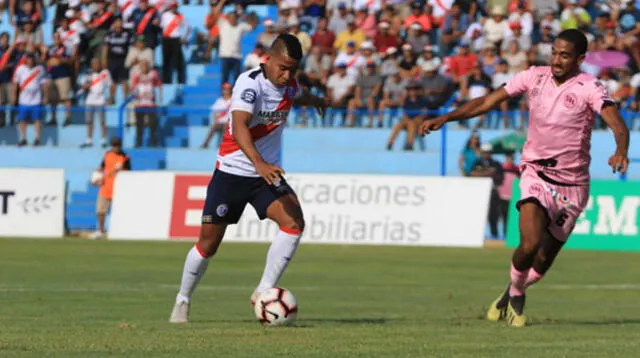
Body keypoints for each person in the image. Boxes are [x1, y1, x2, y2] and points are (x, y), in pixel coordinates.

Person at [419, 29, 630, 327]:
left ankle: (510, 291)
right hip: (535, 172)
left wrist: (621, 150)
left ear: (580, 59)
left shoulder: (589, 87)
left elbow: (618, 124)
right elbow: (487, 102)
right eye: (554, 52)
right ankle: (517, 296)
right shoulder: (534, 76)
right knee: (529, 244)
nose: (557, 59)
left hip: (572, 185)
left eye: (565, 55)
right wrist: (447, 117)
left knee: (543, 261)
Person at [169, 34, 327, 324]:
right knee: (208, 245)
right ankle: (183, 299)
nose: (287, 74)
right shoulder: (249, 83)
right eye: (283, 67)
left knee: (294, 223)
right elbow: (239, 126)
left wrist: (313, 99)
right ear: (269, 58)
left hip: (264, 176)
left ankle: (264, 290)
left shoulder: (290, 84)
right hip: (232, 173)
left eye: (293, 69)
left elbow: (295, 95)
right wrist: (259, 163)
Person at [91, 136, 131, 239]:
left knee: (119, 211)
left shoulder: (125, 157)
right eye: (114, 146)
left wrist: (121, 169)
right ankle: (101, 230)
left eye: (117, 146)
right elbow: (101, 167)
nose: (115, 148)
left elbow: (129, 172)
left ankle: (120, 231)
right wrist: (96, 177)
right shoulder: (107, 155)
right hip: (105, 186)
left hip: (119, 188)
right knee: (100, 210)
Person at [13, 52, 47, 147]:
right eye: (28, 58)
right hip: (23, 99)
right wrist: (14, 95)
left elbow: (43, 83)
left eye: (31, 58)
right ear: (25, 59)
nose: (30, 60)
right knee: (22, 119)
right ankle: (23, 138)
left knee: (37, 119)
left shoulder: (39, 69)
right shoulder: (20, 69)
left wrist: (45, 96)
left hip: (36, 99)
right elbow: (16, 83)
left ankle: (37, 138)